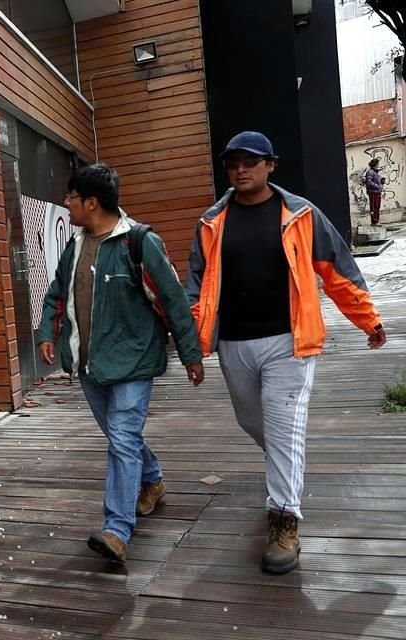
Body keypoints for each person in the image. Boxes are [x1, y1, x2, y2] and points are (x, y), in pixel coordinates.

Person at [187, 131, 387, 575]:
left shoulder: (301, 215)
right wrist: (192, 348)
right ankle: (285, 456)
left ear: (270, 165)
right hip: (234, 343)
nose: (241, 169)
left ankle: (284, 519)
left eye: (251, 162)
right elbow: (196, 290)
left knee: (281, 427)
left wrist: (368, 319)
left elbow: (338, 271)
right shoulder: (211, 222)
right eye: (233, 162)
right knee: (253, 421)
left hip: (289, 342)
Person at [36, 163, 204, 564]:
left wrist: (190, 353)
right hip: (90, 365)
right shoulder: (75, 245)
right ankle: (153, 481)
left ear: (90, 203)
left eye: (71, 198)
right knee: (120, 437)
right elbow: (57, 294)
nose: (66, 203)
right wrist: (47, 332)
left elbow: (173, 300)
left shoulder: (140, 243)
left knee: (122, 437)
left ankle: (117, 528)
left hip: (134, 361)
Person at [365, 157, 384, 225]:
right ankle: (374, 221)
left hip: (377, 192)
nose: (378, 165)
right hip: (373, 192)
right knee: (374, 207)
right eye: (378, 164)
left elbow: (377, 181)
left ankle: (377, 220)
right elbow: (369, 182)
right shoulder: (370, 172)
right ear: (375, 164)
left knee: (377, 207)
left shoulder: (376, 172)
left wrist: (381, 183)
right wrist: (377, 186)